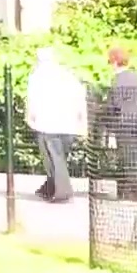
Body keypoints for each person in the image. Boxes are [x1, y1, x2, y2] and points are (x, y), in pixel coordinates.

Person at [23, 47, 87, 204]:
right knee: (59, 158)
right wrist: (81, 121)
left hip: (47, 124)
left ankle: (62, 192)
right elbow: (80, 97)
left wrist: (30, 117)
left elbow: (32, 99)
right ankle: (48, 189)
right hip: (69, 124)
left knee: (52, 159)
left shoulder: (37, 76)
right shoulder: (67, 75)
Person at [103, 47, 137, 202]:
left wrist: (108, 123)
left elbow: (114, 105)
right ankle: (127, 191)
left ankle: (132, 193)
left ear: (114, 62)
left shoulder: (117, 80)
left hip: (124, 123)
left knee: (127, 159)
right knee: (133, 156)